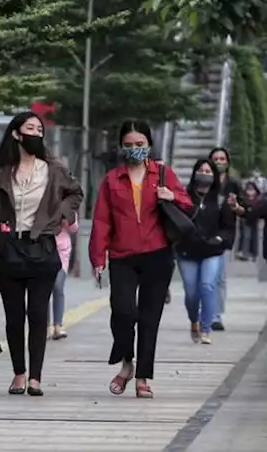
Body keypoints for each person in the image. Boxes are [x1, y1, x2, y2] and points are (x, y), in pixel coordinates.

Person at [0, 112, 83, 396]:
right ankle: (19, 374)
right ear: (16, 134)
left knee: (37, 313)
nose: (36, 133)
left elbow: (75, 193)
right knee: (14, 316)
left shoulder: (53, 168)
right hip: (8, 250)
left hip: (42, 248)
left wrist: (61, 214)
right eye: (30, 128)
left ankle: (36, 377)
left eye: (39, 129)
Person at [89, 121, 190, 399]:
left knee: (149, 318)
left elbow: (186, 203)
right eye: (130, 145)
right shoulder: (112, 180)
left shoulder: (163, 173)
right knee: (122, 312)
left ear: (149, 145)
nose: (135, 149)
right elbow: (101, 220)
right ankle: (127, 363)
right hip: (122, 256)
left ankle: (142, 377)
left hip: (158, 256)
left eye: (140, 144)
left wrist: (171, 195)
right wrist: (98, 256)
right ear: (122, 146)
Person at [175, 159, 235, 345]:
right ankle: (194, 320)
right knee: (192, 292)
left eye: (209, 171)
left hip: (212, 251)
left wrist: (219, 239)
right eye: (201, 170)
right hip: (188, 252)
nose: (204, 174)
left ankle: (206, 327)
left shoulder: (219, 200)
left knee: (208, 286)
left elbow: (228, 226)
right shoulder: (183, 197)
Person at [209, 147, 243, 329]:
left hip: (225, 235)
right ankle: (205, 311)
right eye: (216, 158)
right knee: (206, 279)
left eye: (222, 158)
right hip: (204, 234)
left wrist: (236, 206)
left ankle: (216, 316)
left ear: (227, 162)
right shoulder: (203, 181)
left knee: (219, 277)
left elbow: (245, 210)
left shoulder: (233, 184)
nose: (219, 162)